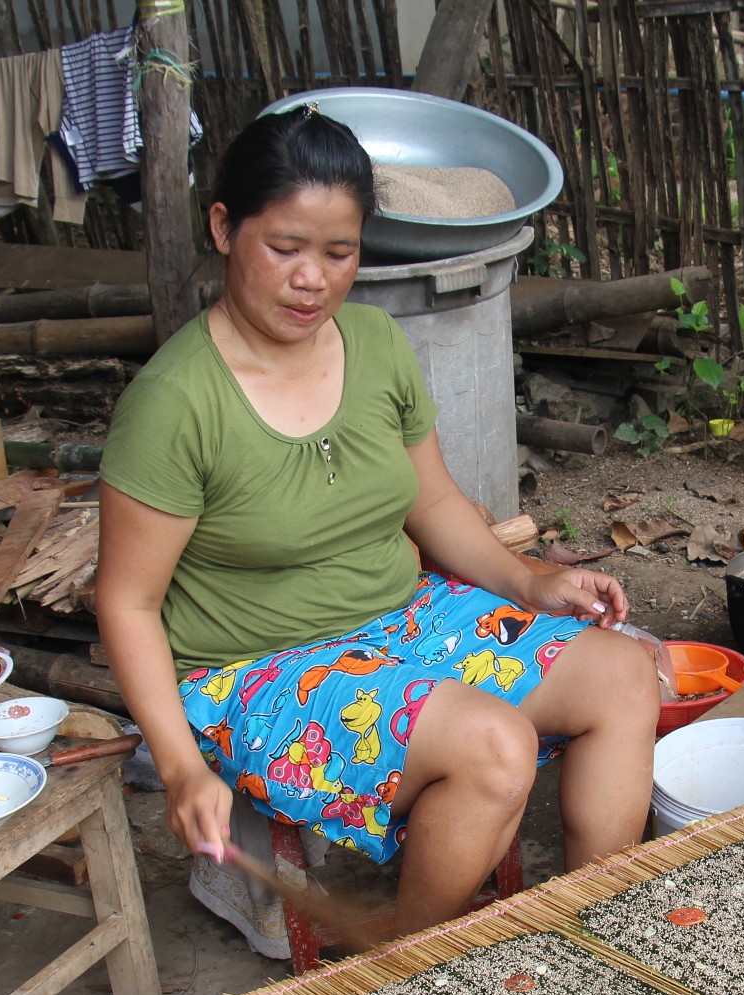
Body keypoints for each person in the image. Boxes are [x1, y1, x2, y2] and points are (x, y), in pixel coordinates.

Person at [96, 108, 658, 940]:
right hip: (256, 671)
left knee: (623, 673)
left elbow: (430, 502)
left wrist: (531, 582)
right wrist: (180, 768)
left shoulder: (374, 342)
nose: (312, 280)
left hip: (405, 619)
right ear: (223, 227)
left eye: (339, 252)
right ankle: (402, 976)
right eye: (284, 247)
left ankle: (594, 936)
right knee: (493, 747)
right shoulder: (176, 403)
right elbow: (128, 604)